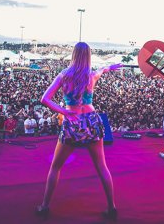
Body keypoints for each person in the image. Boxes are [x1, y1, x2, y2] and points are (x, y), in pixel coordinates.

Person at [36, 42, 122, 219]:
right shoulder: (92, 76)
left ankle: (44, 206)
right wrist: (111, 67)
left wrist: (64, 111)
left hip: (73, 121)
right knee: (101, 166)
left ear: (74, 54)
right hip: (91, 120)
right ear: (89, 56)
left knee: (56, 167)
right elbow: (102, 70)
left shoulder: (64, 76)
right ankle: (111, 207)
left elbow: (45, 99)